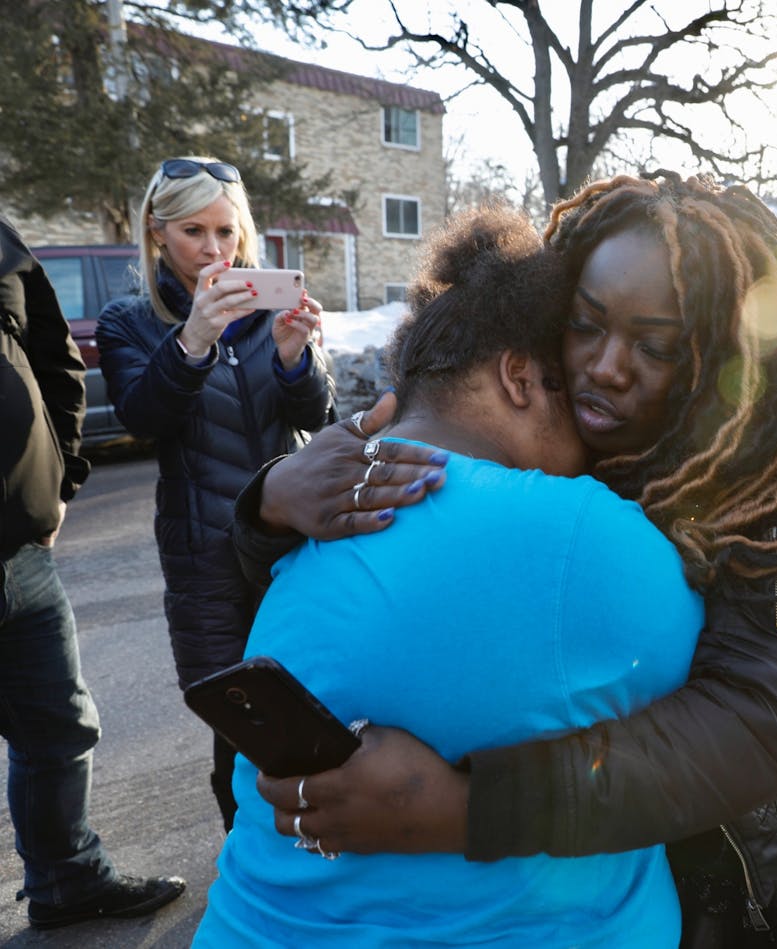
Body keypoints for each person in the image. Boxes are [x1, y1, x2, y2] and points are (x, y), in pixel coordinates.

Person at [233, 172, 777, 945]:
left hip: (716, 877)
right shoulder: (552, 436)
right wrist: (271, 499)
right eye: (585, 324)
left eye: (656, 345)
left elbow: (763, 716)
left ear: (717, 352)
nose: (605, 365)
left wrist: (471, 808)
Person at [195, 205, 704, 945]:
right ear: (520, 376)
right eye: (572, 390)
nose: (594, 431)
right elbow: (721, 705)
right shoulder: (583, 532)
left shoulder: (305, 516)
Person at [95, 157, 336, 831]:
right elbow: (144, 418)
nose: (214, 249)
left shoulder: (267, 309)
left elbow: (316, 416)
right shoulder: (130, 321)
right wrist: (193, 338)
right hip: (204, 558)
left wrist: (294, 356)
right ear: (156, 233)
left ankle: (311, 861)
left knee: (310, 703)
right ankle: (246, 868)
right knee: (238, 722)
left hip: (289, 548)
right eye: (194, 230)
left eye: (227, 230)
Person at [0, 214, 187, 929]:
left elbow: (53, 352)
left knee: (59, 728)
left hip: (22, 550)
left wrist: (62, 477)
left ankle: (67, 880)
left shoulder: (1, 239)